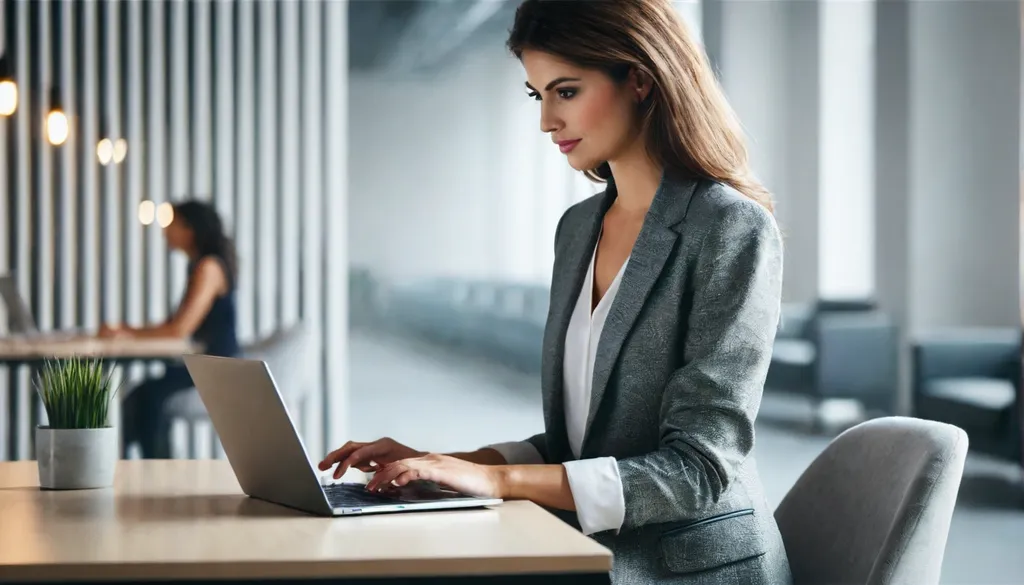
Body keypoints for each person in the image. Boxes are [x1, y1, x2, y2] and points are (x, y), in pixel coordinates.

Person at [318, 1, 791, 583]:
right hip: (585, 550)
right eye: (537, 95)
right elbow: (582, 447)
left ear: (640, 78)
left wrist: (498, 481)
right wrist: (438, 465)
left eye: (565, 92)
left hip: (686, 568)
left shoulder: (729, 229)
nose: (546, 120)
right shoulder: (578, 229)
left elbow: (696, 470)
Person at [101, 199, 239, 459]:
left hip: (217, 367)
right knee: (141, 400)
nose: (165, 231)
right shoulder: (199, 265)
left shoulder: (209, 268)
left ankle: (144, 468)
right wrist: (128, 331)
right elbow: (173, 326)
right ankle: (129, 467)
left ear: (190, 229)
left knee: (147, 400)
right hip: (201, 364)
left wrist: (129, 334)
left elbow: (179, 329)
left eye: (171, 224)